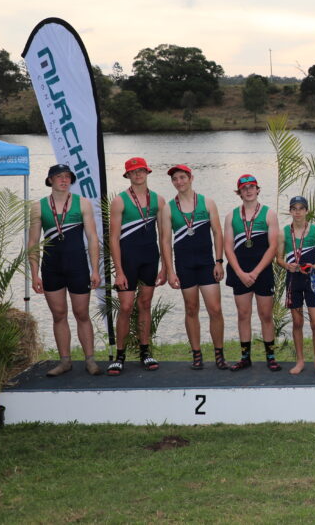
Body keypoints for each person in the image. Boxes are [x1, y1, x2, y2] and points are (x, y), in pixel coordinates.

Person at [29, 164, 102, 376]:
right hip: (52, 268)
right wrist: (35, 275)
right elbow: (33, 243)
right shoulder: (38, 207)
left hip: (78, 266)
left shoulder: (83, 204)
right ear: (50, 180)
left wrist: (95, 270)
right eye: (59, 176)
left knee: (82, 313)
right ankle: (65, 361)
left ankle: (90, 360)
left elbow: (92, 238)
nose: (64, 180)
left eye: (67, 177)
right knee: (59, 315)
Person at [158, 165, 227, 370]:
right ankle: (197, 355)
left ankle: (219, 355)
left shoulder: (207, 203)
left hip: (207, 264)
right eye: (175, 179)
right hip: (184, 265)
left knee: (215, 309)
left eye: (182, 178)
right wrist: (170, 271)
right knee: (191, 309)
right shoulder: (168, 208)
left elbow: (217, 233)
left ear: (191, 178)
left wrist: (219, 261)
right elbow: (165, 242)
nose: (179, 182)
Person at [107, 157, 166, 375]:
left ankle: (145, 351)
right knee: (125, 307)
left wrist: (166, 268)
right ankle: (119, 356)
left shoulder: (158, 200)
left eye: (141, 171)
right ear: (128, 175)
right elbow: (113, 239)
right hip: (128, 261)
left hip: (150, 258)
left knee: (145, 304)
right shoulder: (120, 201)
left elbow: (164, 237)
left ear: (147, 172)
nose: (138, 175)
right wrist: (119, 271)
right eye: (134, 172)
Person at [224, 174, 281, 371]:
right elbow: (228, 248)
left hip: (262, 272)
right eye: (244, 188)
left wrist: (256, 272)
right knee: (243, 314)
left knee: (266, 314)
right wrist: (240, 272)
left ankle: (270, 357)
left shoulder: (268, 214)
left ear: (258, 190)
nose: (248, 190)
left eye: (251, 187)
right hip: (240, 272)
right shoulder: (231, 216)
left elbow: (273, 247)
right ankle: (245, 357)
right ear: (239, 192)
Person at [277, 196, 315, 375]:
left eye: (301, 208)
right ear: (290, 211)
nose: (297, 212)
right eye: (294, 208)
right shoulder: (283, 232)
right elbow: (279, 259)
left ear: (307, 211)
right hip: (293, 280)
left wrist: (313, 266)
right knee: (297, 322)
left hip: (311, 280)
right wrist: (286, 265)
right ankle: (300, 361)